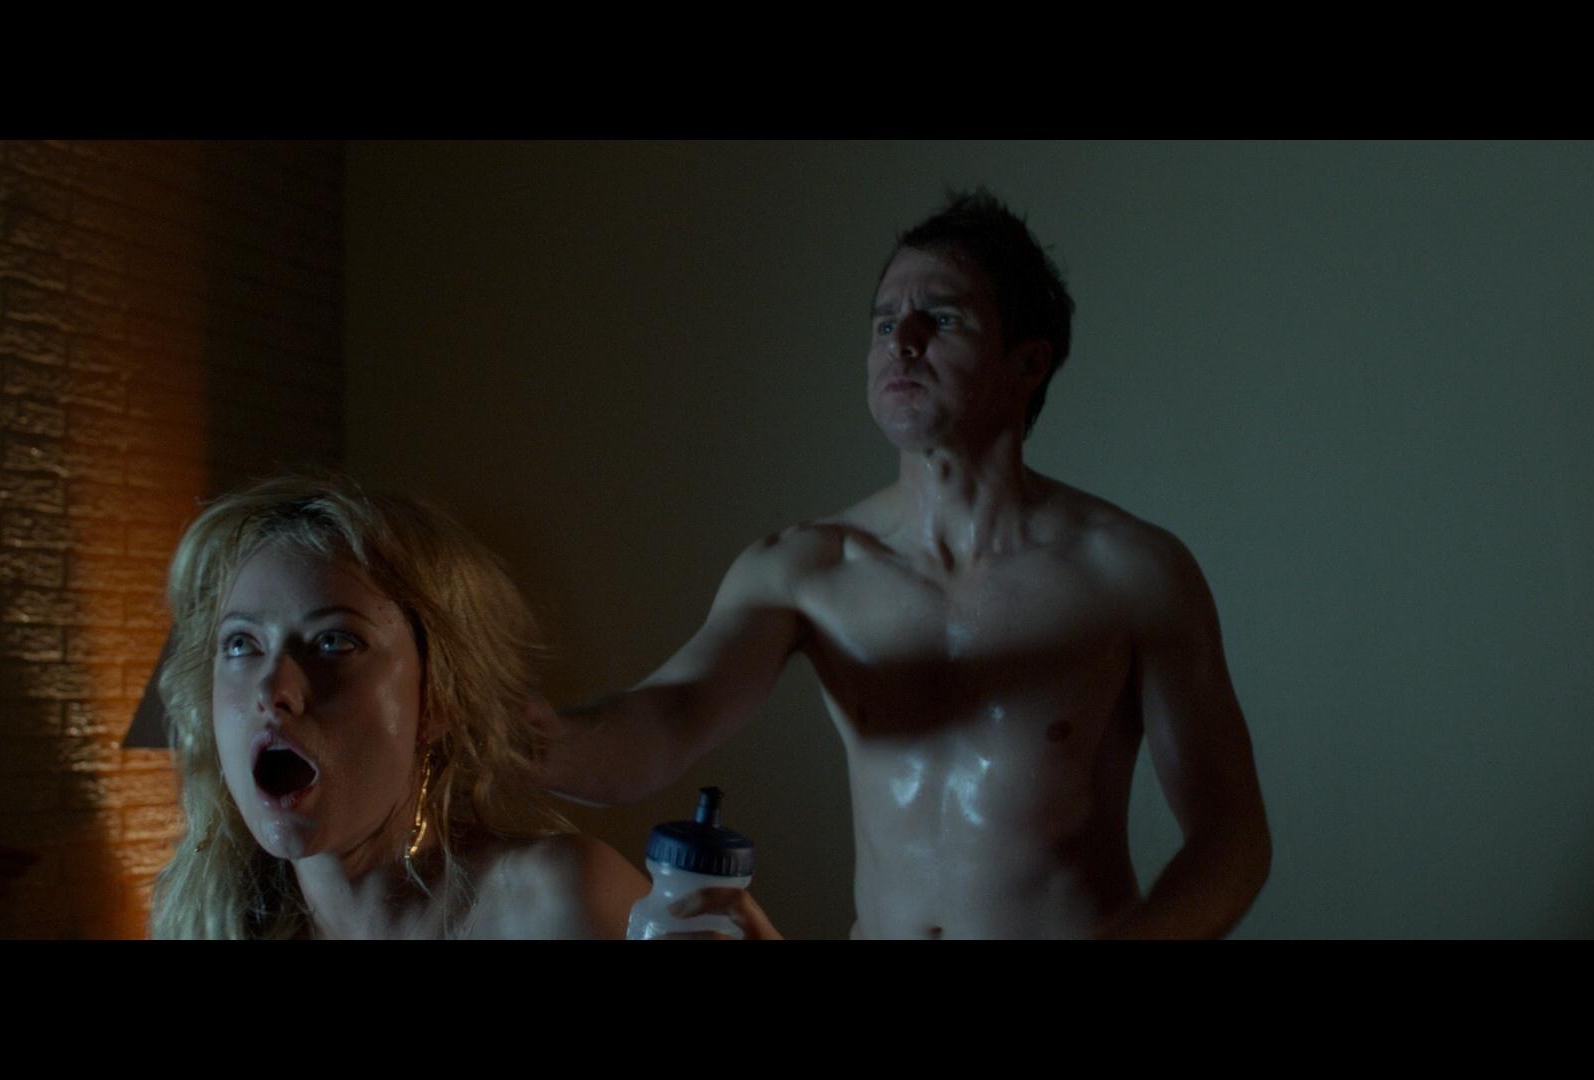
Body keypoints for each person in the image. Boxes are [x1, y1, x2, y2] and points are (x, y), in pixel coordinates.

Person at [542, 189, 1271, 939]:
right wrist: (526, 739)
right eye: (885, 323)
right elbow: (666, 720)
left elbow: (1232, 840)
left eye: (942, 319)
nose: (903, 342)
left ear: (1028, 362)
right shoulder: (806, 568)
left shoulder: (1132, 574)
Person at [150, 473, 776, 939]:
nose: (272, 690)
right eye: (241, 644)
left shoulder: (556, 902)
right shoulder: (209, 922)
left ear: (438, 700)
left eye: (334, 642)